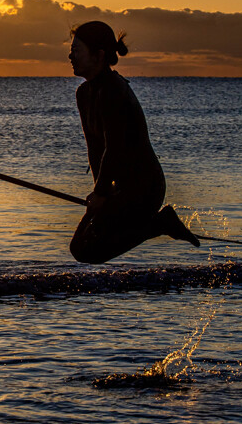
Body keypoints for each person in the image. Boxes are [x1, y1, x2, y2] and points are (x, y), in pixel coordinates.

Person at [67, 20, 199, 264]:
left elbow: (114, 147)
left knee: (87, 250)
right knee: (79, 247)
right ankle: (160, 223)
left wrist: (102, 193)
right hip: (117, 189)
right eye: (71, 51)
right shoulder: (84, 94)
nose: (70, 56)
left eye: (76, 51)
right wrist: (100, 195)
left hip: (144, 188)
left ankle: (161, 224)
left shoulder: (114, 90)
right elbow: (95, 150)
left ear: (98, 55)